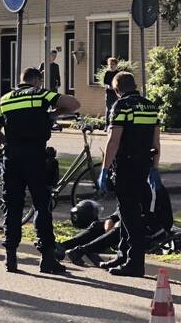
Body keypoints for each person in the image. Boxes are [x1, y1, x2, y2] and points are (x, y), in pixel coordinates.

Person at [0, 67, 80, 273]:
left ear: (21, 80)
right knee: (41, 205)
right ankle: (47, 258)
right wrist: (52, 114)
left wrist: (10, 143)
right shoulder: (41, 94)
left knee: (12, 207)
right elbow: (74, 104)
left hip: (12, 158)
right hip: (35, 156)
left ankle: (10, 257)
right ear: (37, 81)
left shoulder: (4, 99)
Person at [97, 71, 160, 276]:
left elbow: (114, 140)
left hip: (126, 165)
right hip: (143, 165)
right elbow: (156, 141)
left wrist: (104, 169)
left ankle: (135, 262)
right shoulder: (150, 106)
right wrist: (154, 167)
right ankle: (123, 254)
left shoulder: (121, 105)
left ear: (117, 89)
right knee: (126, 210)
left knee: (130, 214)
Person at [64, 185, 173, 267]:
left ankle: (80, 251)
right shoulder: (129, 185)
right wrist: (111, 219)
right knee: (98, 225)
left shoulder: (153, 187)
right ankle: (63, 246)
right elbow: (121, 210)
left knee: (123, 227)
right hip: (134, 223)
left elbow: (150, 217)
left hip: (155, 229)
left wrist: (121, 222)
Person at [102, 57, 119, 127]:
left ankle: (115, 124)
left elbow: (120, 83)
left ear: (116, 65)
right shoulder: (107, 73)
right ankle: (107, 125)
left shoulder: (118, 73)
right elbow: (105, 82)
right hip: (109, 93)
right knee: (108, 109)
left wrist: (115, 87)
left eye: (113, 64)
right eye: (110, 64)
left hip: (116, 94)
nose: (111, 66)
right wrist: (108, 86)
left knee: (116, 109)